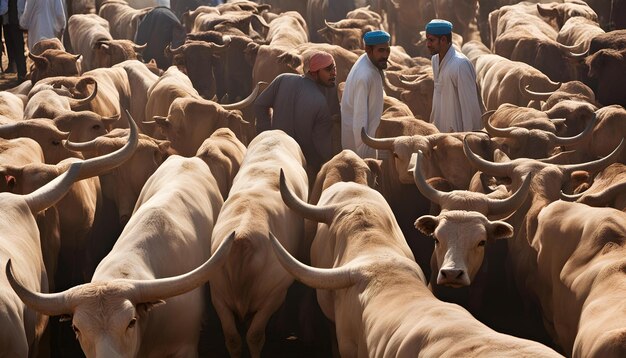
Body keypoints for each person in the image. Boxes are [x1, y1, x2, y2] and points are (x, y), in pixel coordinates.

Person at [254, 50, 336, 174]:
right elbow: (322, 150)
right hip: (301, 165)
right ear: (314, 73)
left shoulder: (282, 80)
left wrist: (266, 135)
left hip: (274, 151)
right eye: (328, 70)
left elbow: (260, 104)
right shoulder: (321, 102)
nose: (333, 74)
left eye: (334, 69)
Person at [426, 19, 482, 132]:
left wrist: (469, 139)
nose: (428, 44)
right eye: (427, 40)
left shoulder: (461, 65)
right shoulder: (435, 60)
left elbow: (470, 108)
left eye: (431, 40)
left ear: (443, 40)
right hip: (439, 131)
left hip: (457, 134)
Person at [341, 29, 389, 159]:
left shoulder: (367, 62)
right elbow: (359, 122)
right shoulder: (365, 75)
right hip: (360, 148)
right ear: (368, 49)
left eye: (387, 50)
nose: (385, 55)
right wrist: (366, 159)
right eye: (381, 51)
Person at [1, 0, 25, 81]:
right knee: (16, 47)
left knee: (16, 47)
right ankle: (19, 71)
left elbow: (4, 8)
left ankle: (21, 73)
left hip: (13, 20)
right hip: (14, 20)